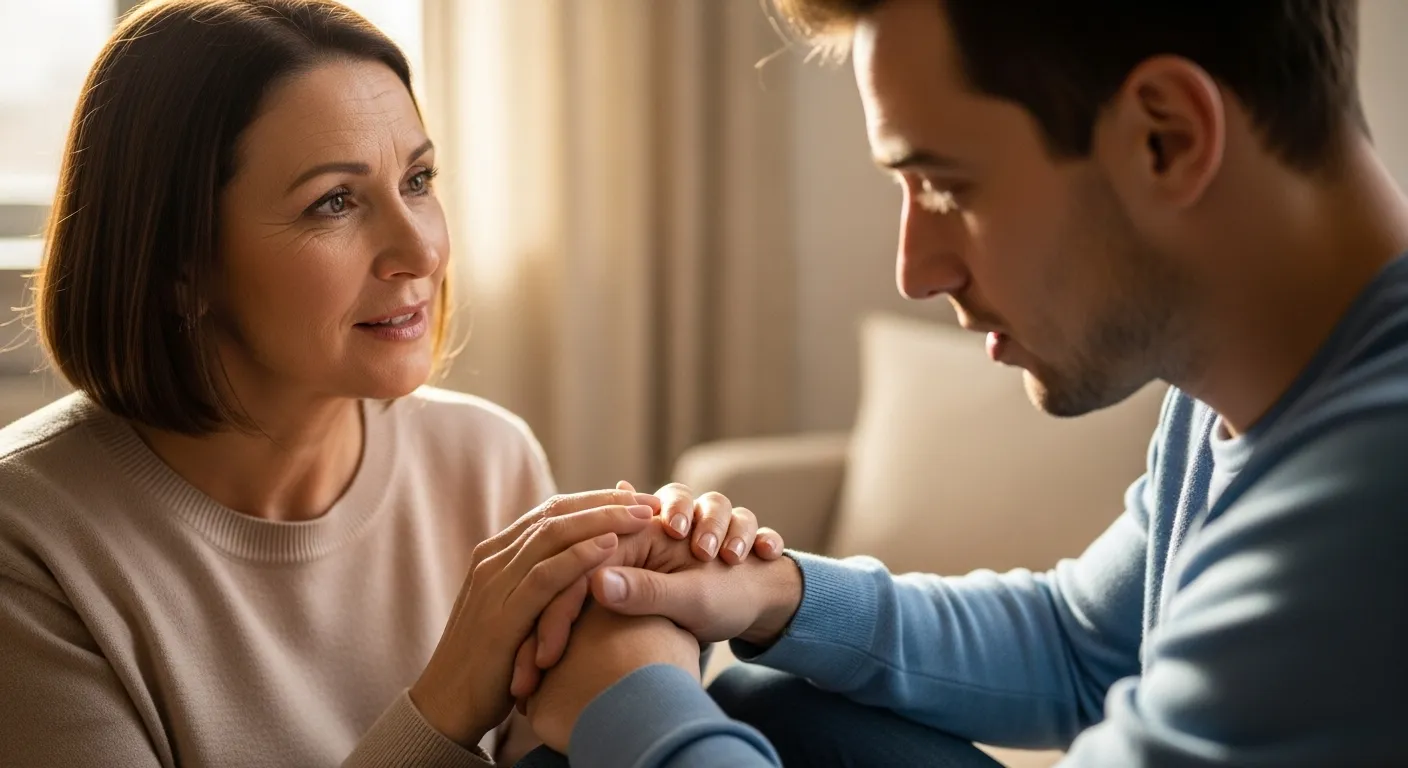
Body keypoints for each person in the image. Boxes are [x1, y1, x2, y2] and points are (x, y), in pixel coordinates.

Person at [510, 0, 1408, 766]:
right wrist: (774, 593)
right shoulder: (1246, 382)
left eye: (944, 187)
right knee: (772, 702)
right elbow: (1085, 647)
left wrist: (628, 709)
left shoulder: (1370, 503)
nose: (915, 269)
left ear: (1165, 138)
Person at [0, 1, 784, 766]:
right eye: (334, 202)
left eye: (418, 179)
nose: (421, 249)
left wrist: (651, 622)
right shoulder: (29, 540)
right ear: (177, 262)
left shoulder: (487, 458)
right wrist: (444, 705)